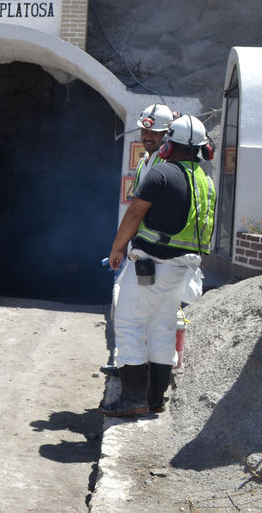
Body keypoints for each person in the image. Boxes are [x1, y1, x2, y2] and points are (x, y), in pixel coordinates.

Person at [99, 114, 216, 417]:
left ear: (168, 145)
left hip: (150, 266)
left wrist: (117, 247)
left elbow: (135, 213)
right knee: (163, 328)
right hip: (182, 271)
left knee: (129, 325)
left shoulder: (161, 173)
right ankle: (155, 399)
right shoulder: (206, 181)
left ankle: (133, 398)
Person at [101, 103, 178, 378]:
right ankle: (131, 366)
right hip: (143, 250)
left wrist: (118, 246)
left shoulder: (163, 164)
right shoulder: (147, 161)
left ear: (167, 134)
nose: (149, 137)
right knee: (141, 315)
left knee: (135, 317)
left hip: (154, 254)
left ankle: (135, 378)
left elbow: (137, 211)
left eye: (155, 133)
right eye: (146, 131)